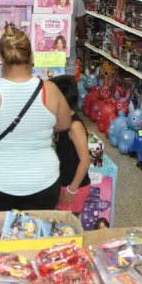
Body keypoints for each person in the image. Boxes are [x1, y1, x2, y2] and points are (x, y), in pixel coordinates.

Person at [0, 24, 71, 212]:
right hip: (42, 180)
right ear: (32, 56)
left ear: (1, 58)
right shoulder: (50, 90)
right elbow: (64, 123)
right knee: (37, 230)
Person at [51, 75, 91, 214]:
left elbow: (85, 161)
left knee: (65, 224)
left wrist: (71, 189)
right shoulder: (62, 121)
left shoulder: (75, 126)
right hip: (64, 182)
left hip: (74, 187)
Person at [67, 0, 87, 76]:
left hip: (44, 42)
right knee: (69, 68)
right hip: (68, 41)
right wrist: (82, 38)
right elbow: (81, 19)